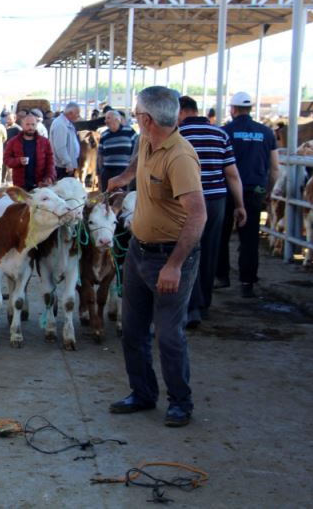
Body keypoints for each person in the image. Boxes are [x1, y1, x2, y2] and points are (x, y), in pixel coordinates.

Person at [106, 86, 206, 428]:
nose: (135, 119)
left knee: (168, 334)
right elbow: (140, 161)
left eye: (136, 115)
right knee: (132, 330)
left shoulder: (180, 158)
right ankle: (143, 393)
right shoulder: (147, 140)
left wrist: (175, 265)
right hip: (138, 250)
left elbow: (198, 215)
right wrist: (124, 178)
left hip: (169, 256)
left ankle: (180, 401)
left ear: (147, 119)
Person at [178, 96, 247, 327]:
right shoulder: (220, 134)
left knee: (186, 249)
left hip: (185, 200)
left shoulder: (177, 135)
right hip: (216, 200)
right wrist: (239, 205)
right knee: (209, 250)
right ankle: (204, 303)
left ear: (181, 112)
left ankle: (189, 304)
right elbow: (232, 174)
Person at [216, 91, 279, 298]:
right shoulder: (267, 133)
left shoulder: (225, 132)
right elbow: (275, 167)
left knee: (221, 235)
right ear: (250, 109)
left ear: (233, 109)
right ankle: (247, 282)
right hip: (254, 190)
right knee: (250, 238)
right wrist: (269, 191)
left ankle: (221, 276)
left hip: (226, 191)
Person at [4, 113, 54, 191]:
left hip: (40, 185)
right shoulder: (13, 142)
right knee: (21, 203)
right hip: (20, 186)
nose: (30, 127)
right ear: (22, 125)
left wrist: (50, 177)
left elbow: (50, 162)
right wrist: (18, 161)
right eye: (27, 124)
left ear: (36, 125)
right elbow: (6, 160)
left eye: (33, 124)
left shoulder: (44, 142)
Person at [97, 109, 138, 191]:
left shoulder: (130, 132)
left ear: (117, 119)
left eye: (108, 118)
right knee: (107, 199)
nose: (105, 121)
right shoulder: (104, 135)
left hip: (124, 173)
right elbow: (100, 155)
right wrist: (100, 172)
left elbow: (137, 151)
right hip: (107, 173)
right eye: (105, 118)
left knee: (123, 198)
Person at [49, 102, 81, 181]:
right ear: (70, 113)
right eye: (77, 113)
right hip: (63, 168)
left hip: (66, 166)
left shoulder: (66, 123)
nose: (78, 116)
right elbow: (60, 147)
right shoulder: (60, 124)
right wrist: (68, 163)